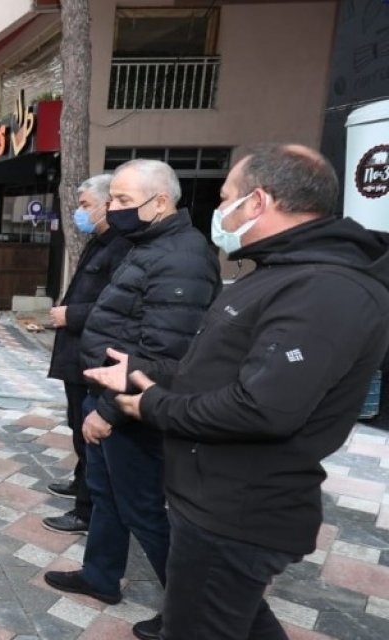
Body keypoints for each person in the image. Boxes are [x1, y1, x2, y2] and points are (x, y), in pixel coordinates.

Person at [86, 144, 389, 640]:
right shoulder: (281, 270)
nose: (218, 209)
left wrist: (150, 404)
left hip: (237, 509)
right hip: (214, 496)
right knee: (240, 622)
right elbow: (220, 367)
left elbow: (261, 408)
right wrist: (143, 372)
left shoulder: (326, 289)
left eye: (225, 196)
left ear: (258, 201)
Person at [44, 159, 220, 640]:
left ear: (159, 201)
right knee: (106, 497)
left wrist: (107, 412)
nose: (113, 209)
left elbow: (163, 354)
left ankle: (189, 614)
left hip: (132, 410)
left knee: (143, 509)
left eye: (122, 200)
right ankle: (101, 576)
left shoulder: (181, 257)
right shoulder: (148, 246)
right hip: (108, 394)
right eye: (113, 199)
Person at [42, 173, 132, 535]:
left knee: (90, 431)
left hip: (95, 357)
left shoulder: (123, 247)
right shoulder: (100, 242)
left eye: (84, 206)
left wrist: (72, 314)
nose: (80, 213)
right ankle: (81, 486)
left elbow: (120, 306)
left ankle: (87, 510)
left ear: (107, 205)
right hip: (76, 353)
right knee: (77, 426)